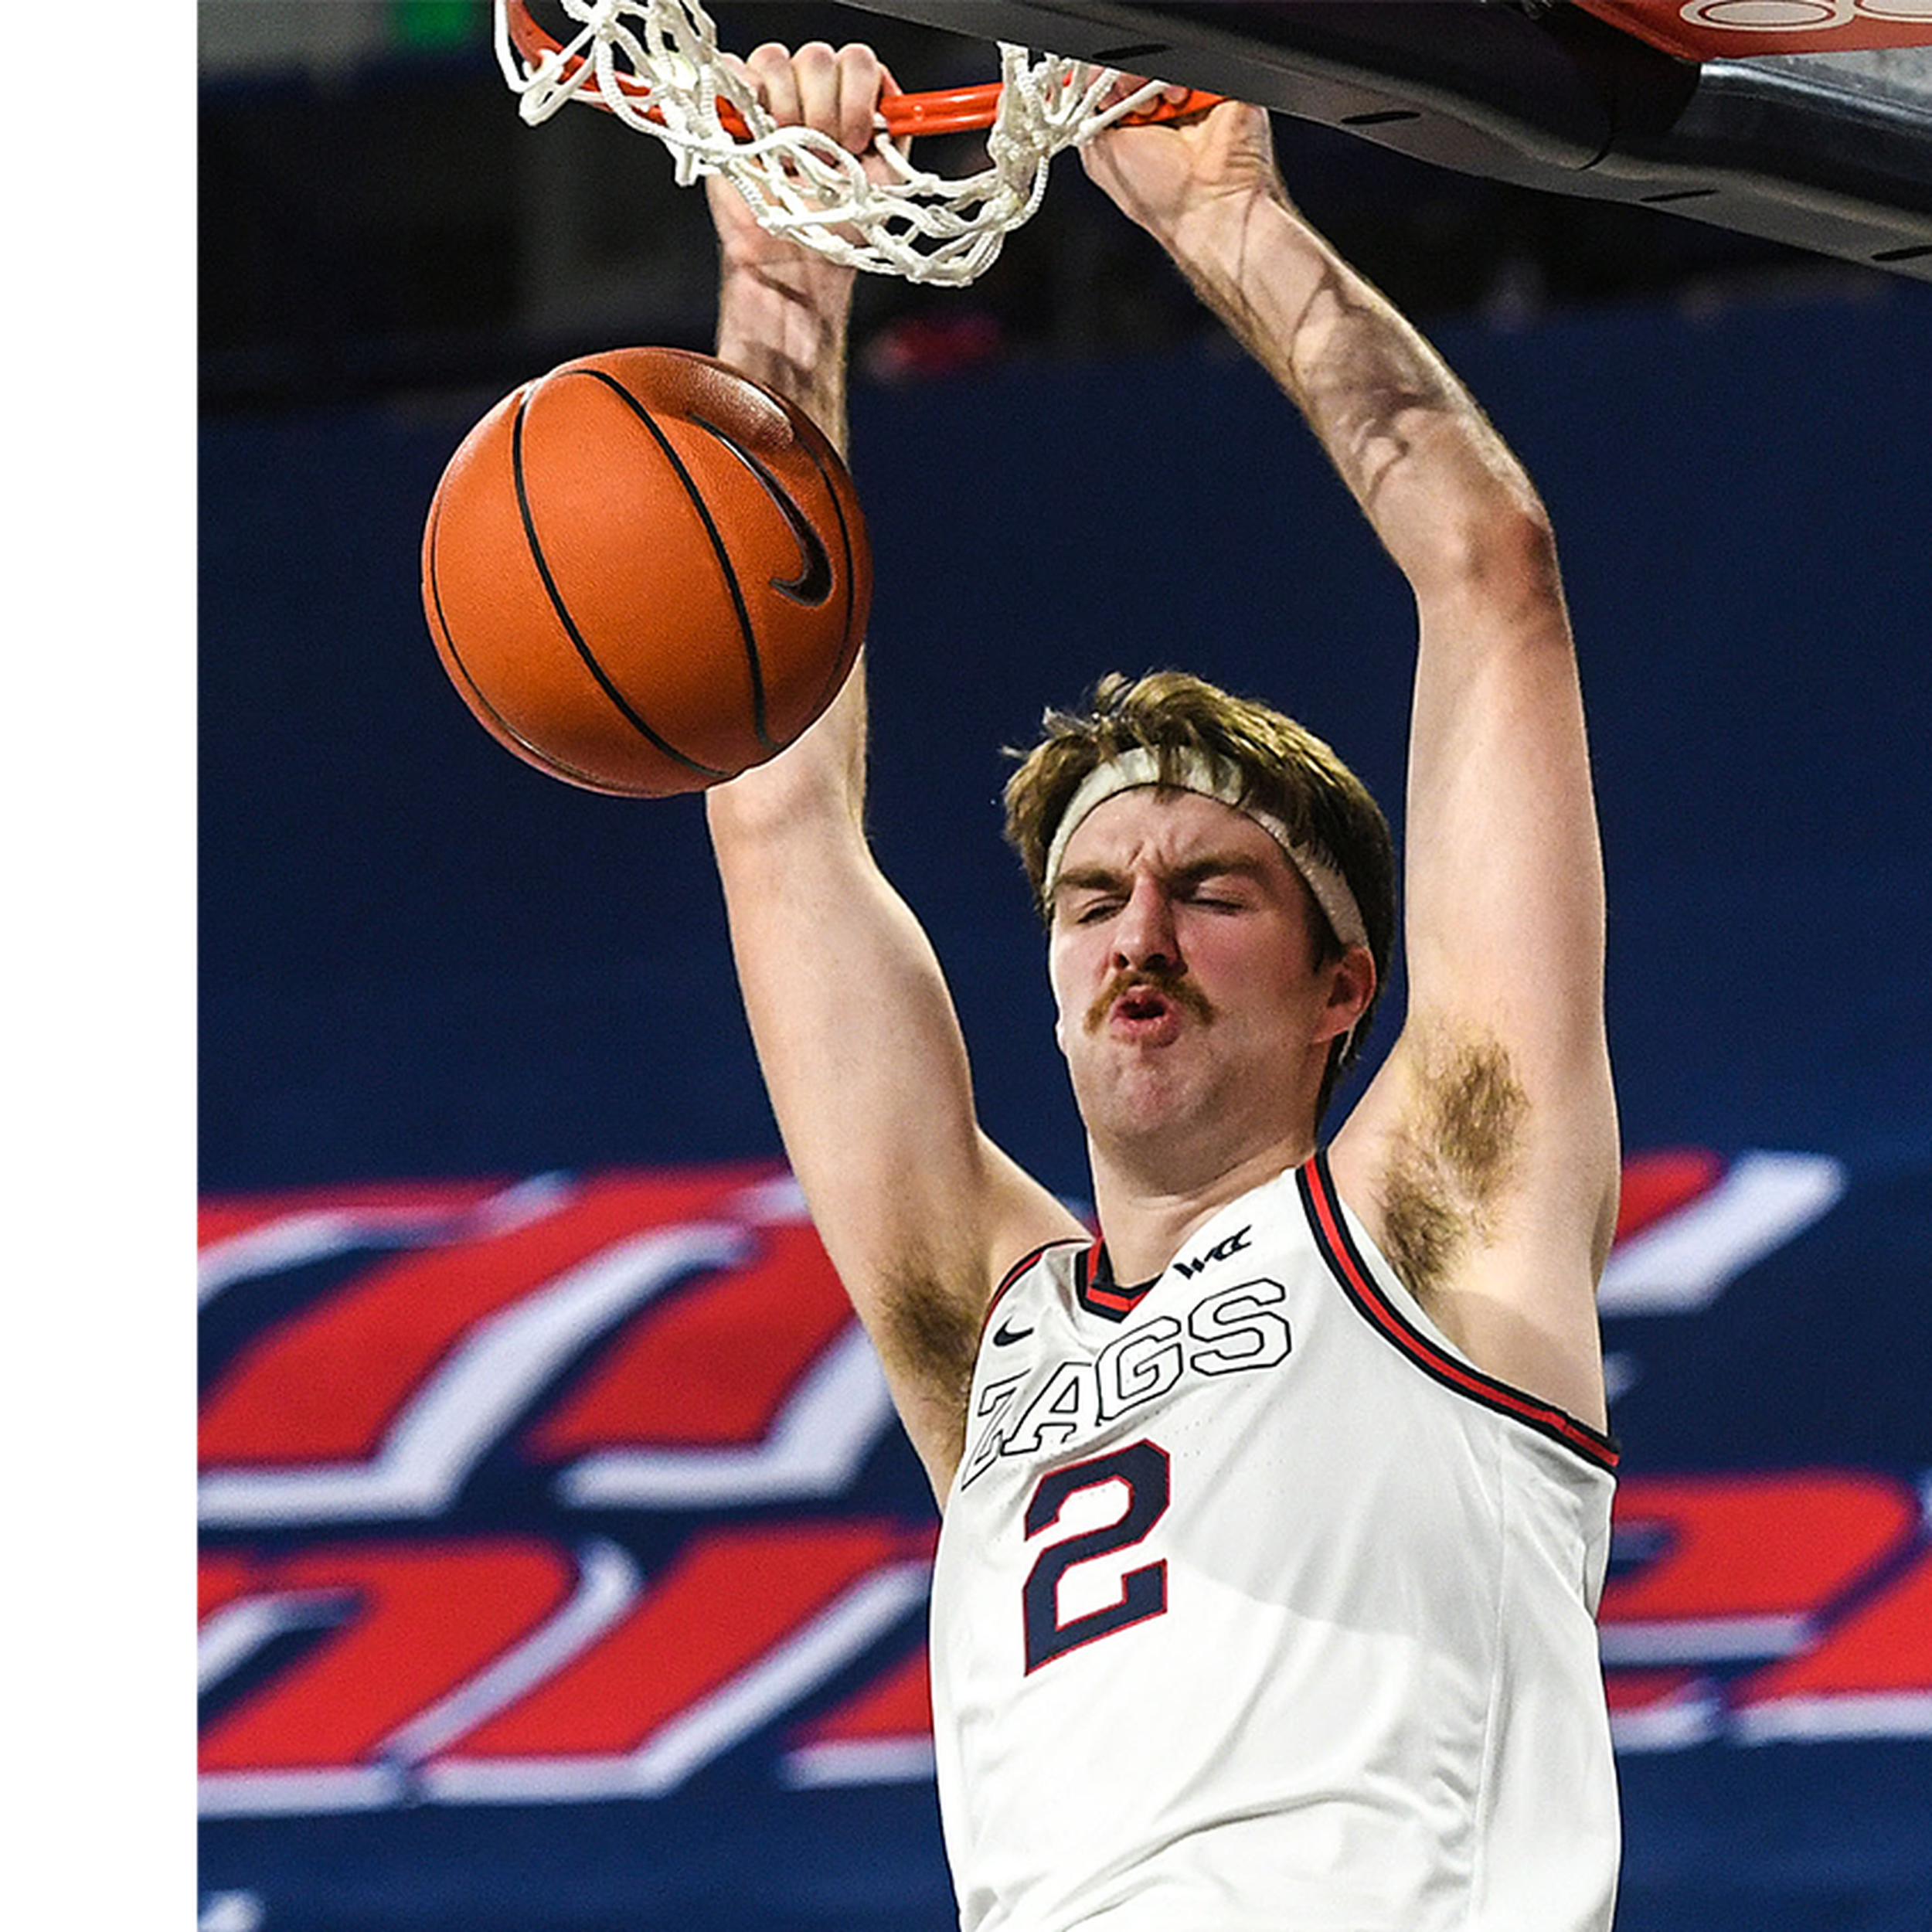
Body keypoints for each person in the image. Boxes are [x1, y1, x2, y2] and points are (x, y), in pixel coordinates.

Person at [702, 39, 1621, 1932]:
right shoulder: (986, 1323)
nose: (1137, 930)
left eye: (1209, 890)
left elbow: (1491, 574)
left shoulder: (1442, 1208)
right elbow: (779, 820)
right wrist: (784, 289)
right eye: (1092, 894)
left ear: (1336, 987)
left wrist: (1238, 232)